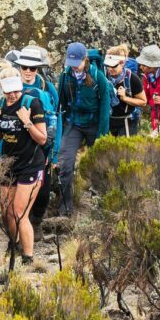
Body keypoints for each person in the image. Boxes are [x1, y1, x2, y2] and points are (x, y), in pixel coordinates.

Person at [0, 65, 47, 264]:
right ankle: (14, 245)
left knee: (20, 213)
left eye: (16, 90)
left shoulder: (32, 103)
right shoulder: (0, 103)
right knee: (6, 212)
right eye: (8, 91)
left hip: (31, 164)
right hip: (9, 164)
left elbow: (42, 138)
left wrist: (27, 122)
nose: (12, 95)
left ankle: (28, 258)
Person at [57, 42, 110, 216]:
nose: (74, 67)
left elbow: (104, 108)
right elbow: (61, 103)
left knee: (100, 165)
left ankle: (102, 204)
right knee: (65, 164)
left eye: (77, 63)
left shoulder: (98, 77)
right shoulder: (65, 76)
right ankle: (65, 207)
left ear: (85, 59)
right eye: (71, 63)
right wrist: (61, 130)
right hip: (74, 124)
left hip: (94, 123)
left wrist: (102, 136)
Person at [13, 46, 61, 241]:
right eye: (24, 67)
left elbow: (56, 120)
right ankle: (18, 230)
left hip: (42, 147)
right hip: (16, 147)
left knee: (43, 190)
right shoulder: (10, 86)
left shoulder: (48, 88)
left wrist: (54, 153)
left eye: (32, 68)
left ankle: (36, 222)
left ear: (37, 69)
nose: (27, 71)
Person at [104, 44, 146, 137]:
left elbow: (143, 102)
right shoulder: (104, 76)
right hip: (109, 120)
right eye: (107, 65)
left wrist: (125, 98)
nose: (110, 69)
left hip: (127, 122)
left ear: (122, 63)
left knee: (124, 147)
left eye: (113, 66)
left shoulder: (132, 79)